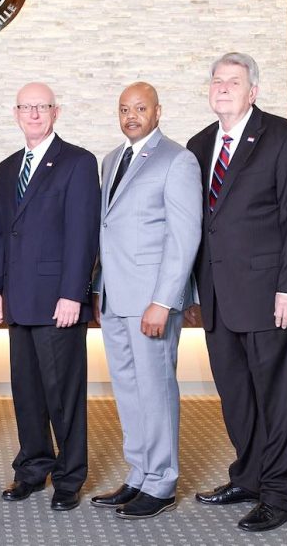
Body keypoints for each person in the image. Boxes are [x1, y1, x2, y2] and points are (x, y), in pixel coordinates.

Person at [186, 53, 287, 532]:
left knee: (280, 400)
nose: (222, 87)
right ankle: (249, 476)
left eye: (233, 81)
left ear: (253, 91)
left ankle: (280, 495)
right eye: (217, 81)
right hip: (219, 298)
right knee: (237, 396)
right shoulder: (199, 145)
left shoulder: (285, 137)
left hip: (271, 297)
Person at [0, 83, 100, 511]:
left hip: (58, 301)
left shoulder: (78, 162)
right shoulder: (7, 166)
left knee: (63, 394)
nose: (33, 113)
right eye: (26, 107)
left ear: (56, 112)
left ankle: (70, 477)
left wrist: (74, 293)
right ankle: (32, 468)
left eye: (42, 106)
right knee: (27, 391)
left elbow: (82, 234)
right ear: (16, 113)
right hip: (17, 299)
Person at [90, 82, 201, 519]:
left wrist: (164, 299)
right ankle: (139, 473)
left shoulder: (178, 159)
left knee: (156, 390)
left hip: (151, 299)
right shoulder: (111, 159)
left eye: (140, 107)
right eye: (124, 109)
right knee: (129, 389)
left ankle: (163, 481)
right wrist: (100, 290)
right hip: (115, 296)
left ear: (158, 111)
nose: (131, 115)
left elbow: (184, 235)